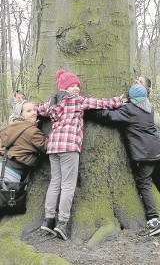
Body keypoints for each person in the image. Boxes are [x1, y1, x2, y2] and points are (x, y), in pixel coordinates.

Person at [37, 69, 127, 240]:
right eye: (72, 85)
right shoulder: (76, 101)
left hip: (54, 146)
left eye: (77, 85)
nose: (76, 88)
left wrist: (24, 107)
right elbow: (98, 103)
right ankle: (62, 223)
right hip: (69, 146)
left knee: (55, 182)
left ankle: (48, 220)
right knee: (68, 185)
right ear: (65, 87)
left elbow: (39, 109)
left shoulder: (52, 101)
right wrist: (117, 101)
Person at [94, 84, 160, 237]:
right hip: (156, 149)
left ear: (130, 98)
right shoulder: (149, 107)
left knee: (144, 183)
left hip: (144, 153)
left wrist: (92, 111)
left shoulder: (130, 110)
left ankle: (153, 220)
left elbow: (108, 116)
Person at [0, 100, 47, 183]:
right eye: (28, 111)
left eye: (35, 109)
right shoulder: (31, 131)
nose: (33, 113)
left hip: (3, 168)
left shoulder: (15, 126)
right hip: (11, 174)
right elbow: (47, 147)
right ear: (21, 114)